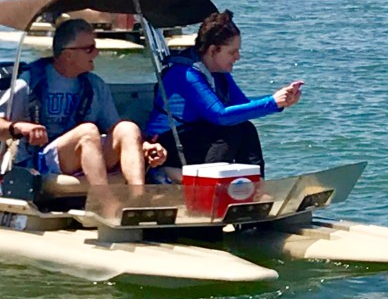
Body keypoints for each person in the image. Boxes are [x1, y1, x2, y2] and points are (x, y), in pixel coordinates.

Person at [0, 19, 166, 188]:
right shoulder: (29, 83)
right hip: (41, 159)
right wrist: (18, 127)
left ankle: (137, 199)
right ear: (68, 54)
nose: (96, 54)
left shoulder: (95, 85)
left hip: (87, 152)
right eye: (89, 49)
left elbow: (114, 128)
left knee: (128, 128)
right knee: (88, 131)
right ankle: (104, 203)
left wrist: (144, 146)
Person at [145, 10, 302, 175]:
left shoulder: (219, 73)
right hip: (165, 144)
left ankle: (255, 185)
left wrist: (281, 102)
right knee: (229, 131)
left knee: (246, 128)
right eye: (232, 52)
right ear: (213, 50)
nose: (238, 57)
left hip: (193, 137)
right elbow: (219, 116)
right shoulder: (185, 74)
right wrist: (272, 102)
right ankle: (211, 185)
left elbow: (243, 107)